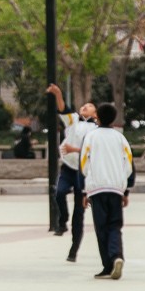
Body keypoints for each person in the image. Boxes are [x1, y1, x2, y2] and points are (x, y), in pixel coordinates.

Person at [81, 101, 135, 281]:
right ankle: (117, 255)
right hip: (116, 188)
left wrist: (84, 191)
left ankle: (107, 265)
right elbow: (129, 164)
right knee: (114, 226)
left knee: (101, 228)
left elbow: (84, 164)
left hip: (97, 188)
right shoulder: (120, 138)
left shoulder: (91, 137)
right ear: (113, 119)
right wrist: (126, 191)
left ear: (97, 117)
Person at [47, 84, 97, 263]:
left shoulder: (97, 130)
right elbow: (62, 108)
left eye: (90, 106)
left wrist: (73, 148)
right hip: (69, 167)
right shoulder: (74, 119)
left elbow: (94, 151)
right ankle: (62, 221)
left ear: (96, 114)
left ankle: (73, 250)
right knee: (59, 192)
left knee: (79, 213)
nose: (85, 106)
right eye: (84, 105)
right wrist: (58, 93)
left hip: (84, 173)